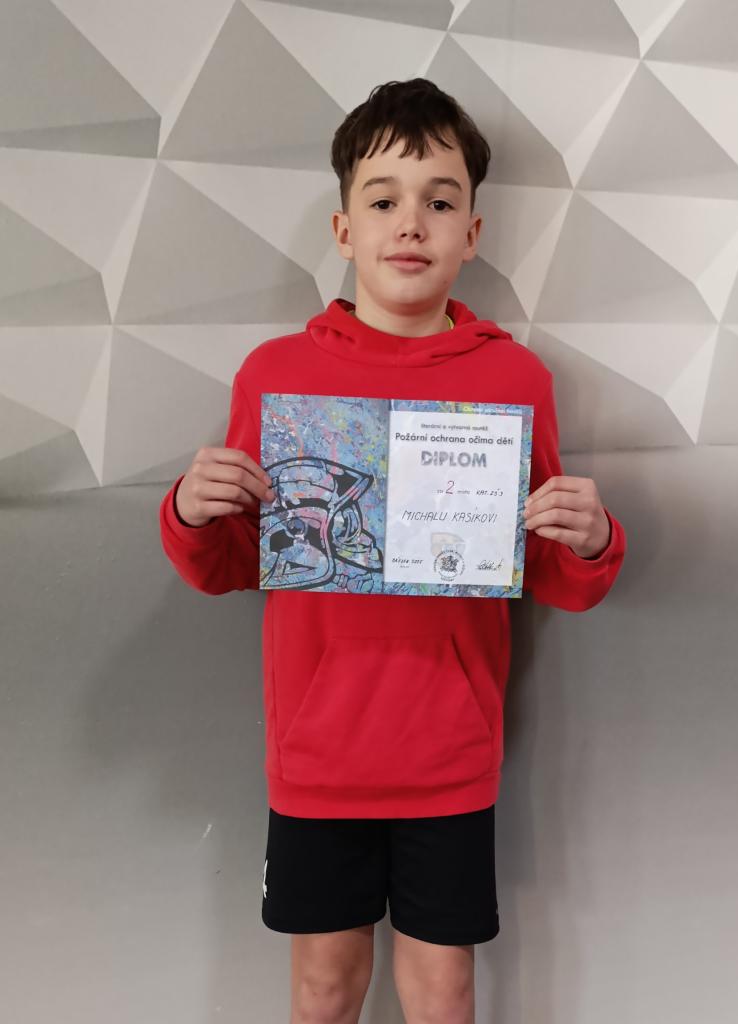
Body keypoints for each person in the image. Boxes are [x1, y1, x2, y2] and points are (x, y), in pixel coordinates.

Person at [159, 78, 626, 1024]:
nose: (410, 223)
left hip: (448, 752)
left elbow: (546, 574)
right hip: (317, 755)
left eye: (439, 202)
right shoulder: (276, 375)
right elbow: (231, 563)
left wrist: (592, 541)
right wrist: (190, 513)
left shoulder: (513, 378)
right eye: (382, 201)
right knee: (323, 988)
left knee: (443, 991)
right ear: (343, 229)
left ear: (471, 232)